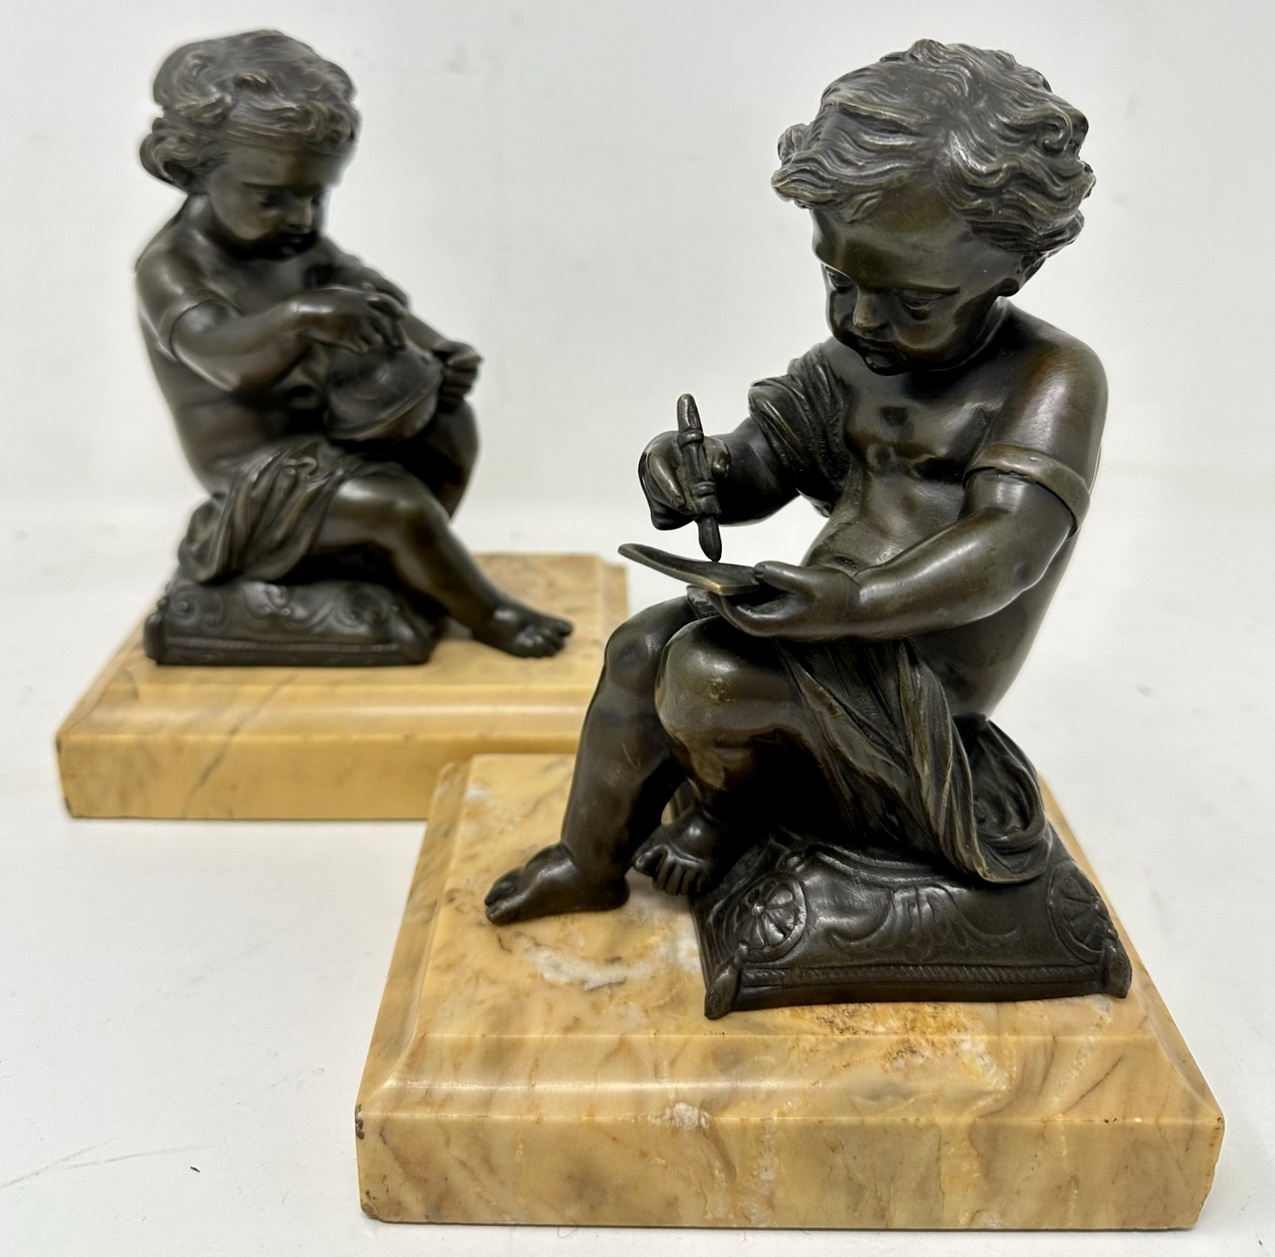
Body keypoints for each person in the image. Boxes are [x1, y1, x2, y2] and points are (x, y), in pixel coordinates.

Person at [486, 40, 1106, 922]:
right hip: (817, 617)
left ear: (1016, 267)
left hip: (922, 667)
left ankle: (729, 811)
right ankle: (586, 861)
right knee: (636, 649)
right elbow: (762, 463)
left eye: (914, 300)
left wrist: (857, 603)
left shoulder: (1049, 377)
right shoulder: (850, 362)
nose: (862, 319)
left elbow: (1007, 548)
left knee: (706, 675)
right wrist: (699, 471)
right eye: (837, 279)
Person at [137, 30, 571, 658]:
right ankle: (489, 612)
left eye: (317, 195)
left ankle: (388, 559)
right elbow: (225, 358)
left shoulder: (296, 244)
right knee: (398, 509)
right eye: (270, 198)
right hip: (256, 478)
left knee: (450, 427)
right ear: (190, 173)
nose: (301, 218)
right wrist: (301, 317)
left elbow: (370, 294)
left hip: (330, 434)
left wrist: (435, 349)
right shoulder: (173, 267)